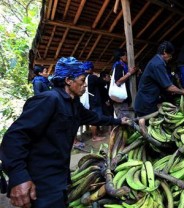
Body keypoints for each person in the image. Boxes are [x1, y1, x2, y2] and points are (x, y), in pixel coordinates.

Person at [0, 57, 130, 208]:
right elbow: (14, 137)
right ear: (68, 80)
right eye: (82, 80)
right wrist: (18, 177)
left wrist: (119, 121)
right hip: (41, 179)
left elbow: (94, 117)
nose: (85, 85)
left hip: (60, 174)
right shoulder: (49, 99)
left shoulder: (73, 103)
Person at [134, 41, 184, 117]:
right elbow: (169, 87)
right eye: (170, 55)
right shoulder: (158, 64)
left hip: (146, 101)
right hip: (146, 104)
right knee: (147, 125)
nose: (170, 58)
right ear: (165, 52)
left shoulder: (156, 61)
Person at [81, 61, 108, 141]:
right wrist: (98, 76)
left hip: (85, 100)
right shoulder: (92, 77)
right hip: (94, 101)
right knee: (95, 117)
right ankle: (94, 136)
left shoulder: (82, 76)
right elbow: (103, 83)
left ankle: (96, 132)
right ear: (89, 69)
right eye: (92, 68)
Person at [112, 49, 138, 118]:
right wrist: (130, 73)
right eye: (125, 55)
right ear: (121, 57)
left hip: (123, 100)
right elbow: (118, 82)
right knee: (125, 121)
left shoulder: (122, 66)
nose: (126, 57)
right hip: (121, 101)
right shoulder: (118, 66)